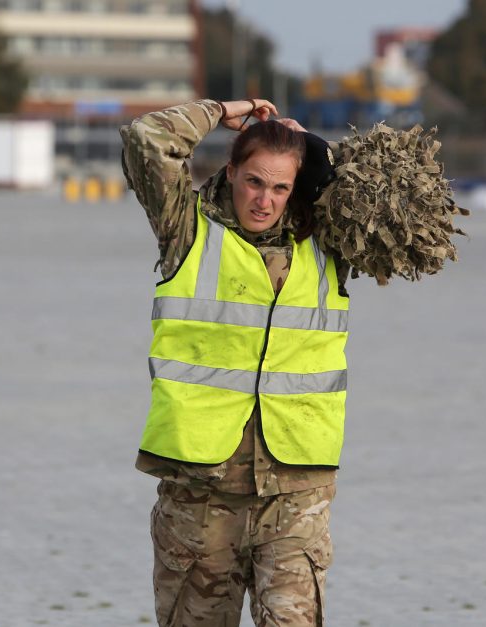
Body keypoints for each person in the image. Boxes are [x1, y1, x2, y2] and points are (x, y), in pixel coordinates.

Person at [120, 98, 347, 627]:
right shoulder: (186, 228)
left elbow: (392, 196)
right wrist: (223, 109)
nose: (265, 200)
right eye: (253, 182)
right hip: (199, 494)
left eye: (280, 187)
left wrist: (307, 145)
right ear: (231, 172)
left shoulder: (331, 240)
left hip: (296, 491)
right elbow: (146, 138)